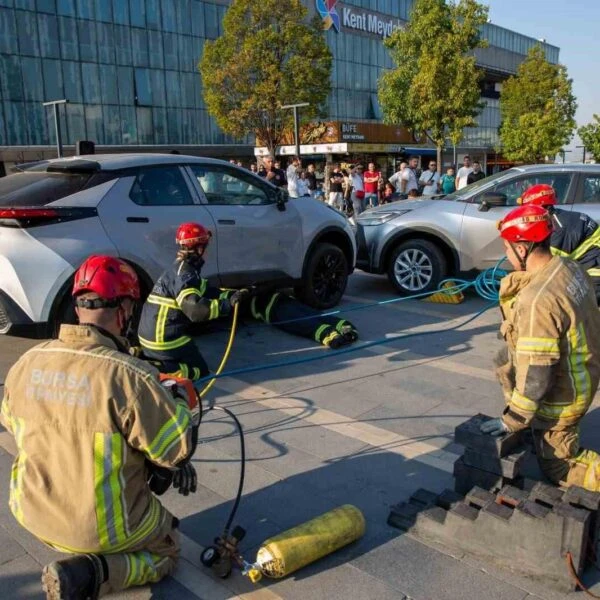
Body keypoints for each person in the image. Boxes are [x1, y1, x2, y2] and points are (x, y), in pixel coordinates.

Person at [0, 255, 199, 598]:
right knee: (166, 550)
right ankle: (93, 572)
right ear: (124, 309)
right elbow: (176, 450)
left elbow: (13, 421)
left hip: (30, 511)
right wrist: (180, 400)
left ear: (79, 308)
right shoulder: (130, 376)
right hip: (98, 529)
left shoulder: (27, 362)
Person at [480, 204, 600, 491]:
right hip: (584, 370)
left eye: (508, 248)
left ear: (522, 248)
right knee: (505, 359)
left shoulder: (537, 302)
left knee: (559, 466)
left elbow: (538, 373)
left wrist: (513, 420)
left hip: (566, 395)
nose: (506, 256)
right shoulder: (568, 266)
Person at [138, 222, 246, 380]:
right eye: (206, 248)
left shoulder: (180, 268)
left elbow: (205, 290)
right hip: (164, 340)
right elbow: (196, 311)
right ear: (199, 248)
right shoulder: (185, 274)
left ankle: (148, 358)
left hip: (149, 337)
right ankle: (158, 369)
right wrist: (226, 305)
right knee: (199, 370)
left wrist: (231, 295)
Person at [518, 183, 600, 302]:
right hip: (587, 267)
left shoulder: (557, 228)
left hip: (593, 276)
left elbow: (549, 267)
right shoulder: (560, 217)